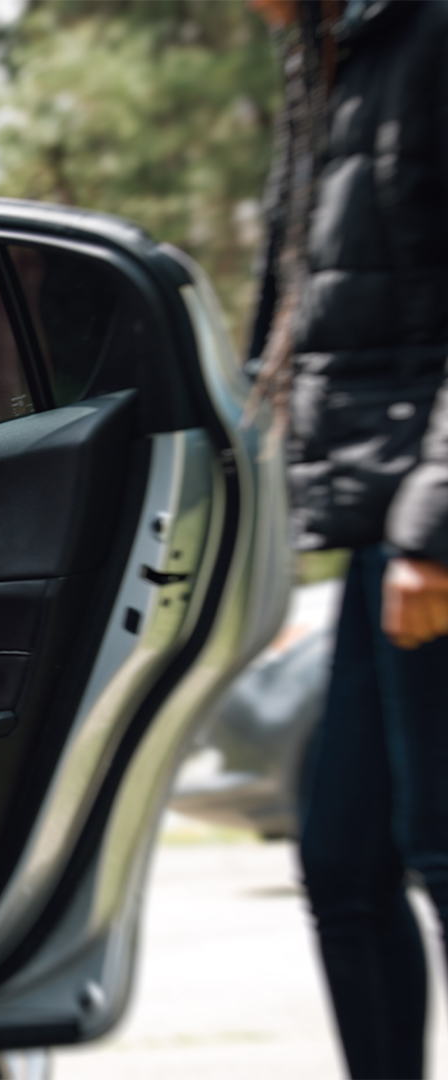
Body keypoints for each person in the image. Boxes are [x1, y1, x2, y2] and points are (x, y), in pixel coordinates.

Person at [249, 1, 448, 1075]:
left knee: (438, 852)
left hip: (429, 522)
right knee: (344, 860)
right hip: (388, 522)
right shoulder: (337, 58)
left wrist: (434, 528)